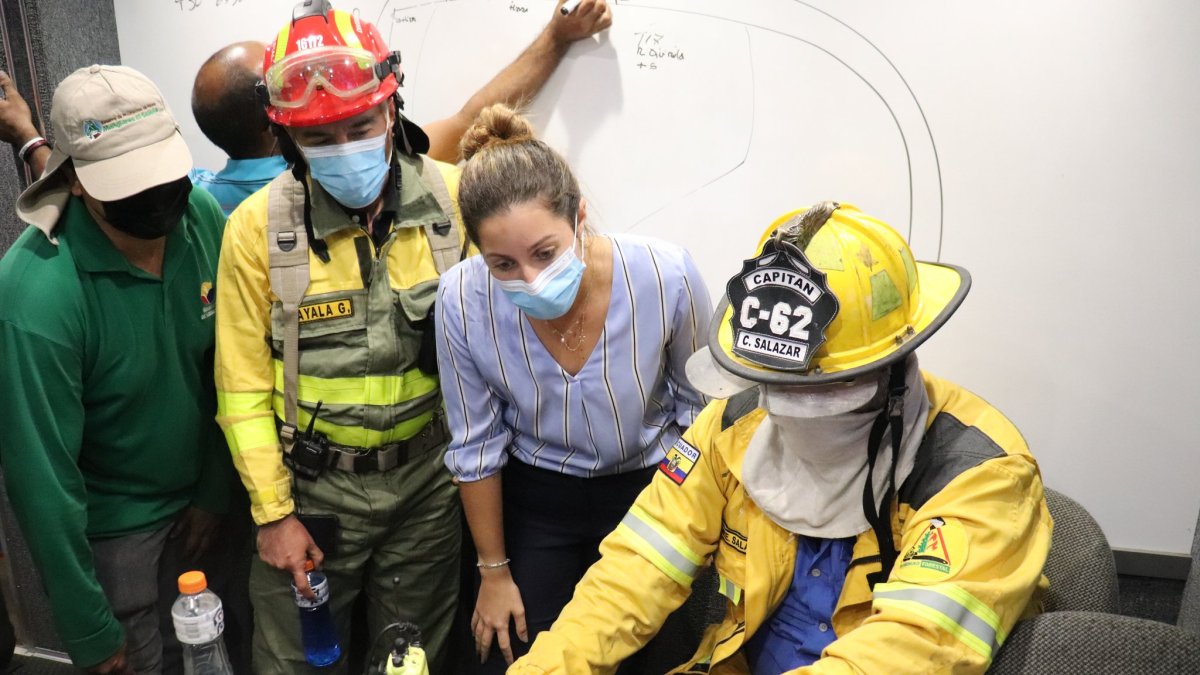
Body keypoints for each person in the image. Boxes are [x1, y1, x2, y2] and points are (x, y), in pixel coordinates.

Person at [212, 1, 618, 671]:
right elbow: (241, 387)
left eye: (361, 124)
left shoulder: (455, 202)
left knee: (413, 658)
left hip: (427, 491)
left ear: (392, 108)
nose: (344, 147)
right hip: (312, 494)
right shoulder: (256, 230)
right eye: (319, 137)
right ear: (286, 140)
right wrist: (272, 513)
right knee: (292, 659)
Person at [509, 201, 1053, 674]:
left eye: (825, 396)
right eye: (776, 390)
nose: (794, 417)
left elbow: (910, 652)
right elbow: (632, 573)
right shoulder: (731, 428)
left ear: (891, 368)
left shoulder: (980, 474)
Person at [435, 105, 711, 671]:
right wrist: (493, 572)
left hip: (652, 492)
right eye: (503, 264)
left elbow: (701, 412)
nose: (530, 280)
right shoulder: (462, 299)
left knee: (653, 653)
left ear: (580, 217)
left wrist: (690, 523)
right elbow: (475, 446)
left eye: (544, 253)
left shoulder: (666, 275)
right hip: (537, 502)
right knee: (514, 649)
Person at [0, 65, 231, 675]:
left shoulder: (202, 217)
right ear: (73, 179)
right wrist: (86, 626)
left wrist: (213, 490)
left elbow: (230, 370)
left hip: (208, 501)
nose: (157, 197)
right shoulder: (36, 294)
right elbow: (40, 476)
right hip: (115, 529)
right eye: (129, 184)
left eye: (163, 172)